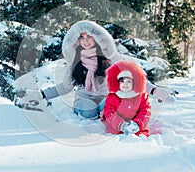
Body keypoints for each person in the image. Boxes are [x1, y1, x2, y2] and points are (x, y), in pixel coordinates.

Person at [40, 20, 174, 119]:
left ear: (97, 39)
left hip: (107, 98)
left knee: (109, 108)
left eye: (89, 37)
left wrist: (155, 91)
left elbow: (133, 79)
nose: (86, 41)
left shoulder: (111, 59)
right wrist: (42, 95)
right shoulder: (75, 62)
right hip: (84, 99)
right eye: (82, 38)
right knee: (87, 110)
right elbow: (65, 87)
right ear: (77, 41)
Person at [101, 60, 150, 136]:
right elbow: (109, 112)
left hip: (136, 127)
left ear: (135, 82)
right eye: (122, 81)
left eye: (129, 81)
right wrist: (121, 124)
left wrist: (137, 123)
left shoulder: (141, 96)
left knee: (139, 136)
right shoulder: (112, 96)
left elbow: (145, 111)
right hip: (116, 127)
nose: (125, 84)